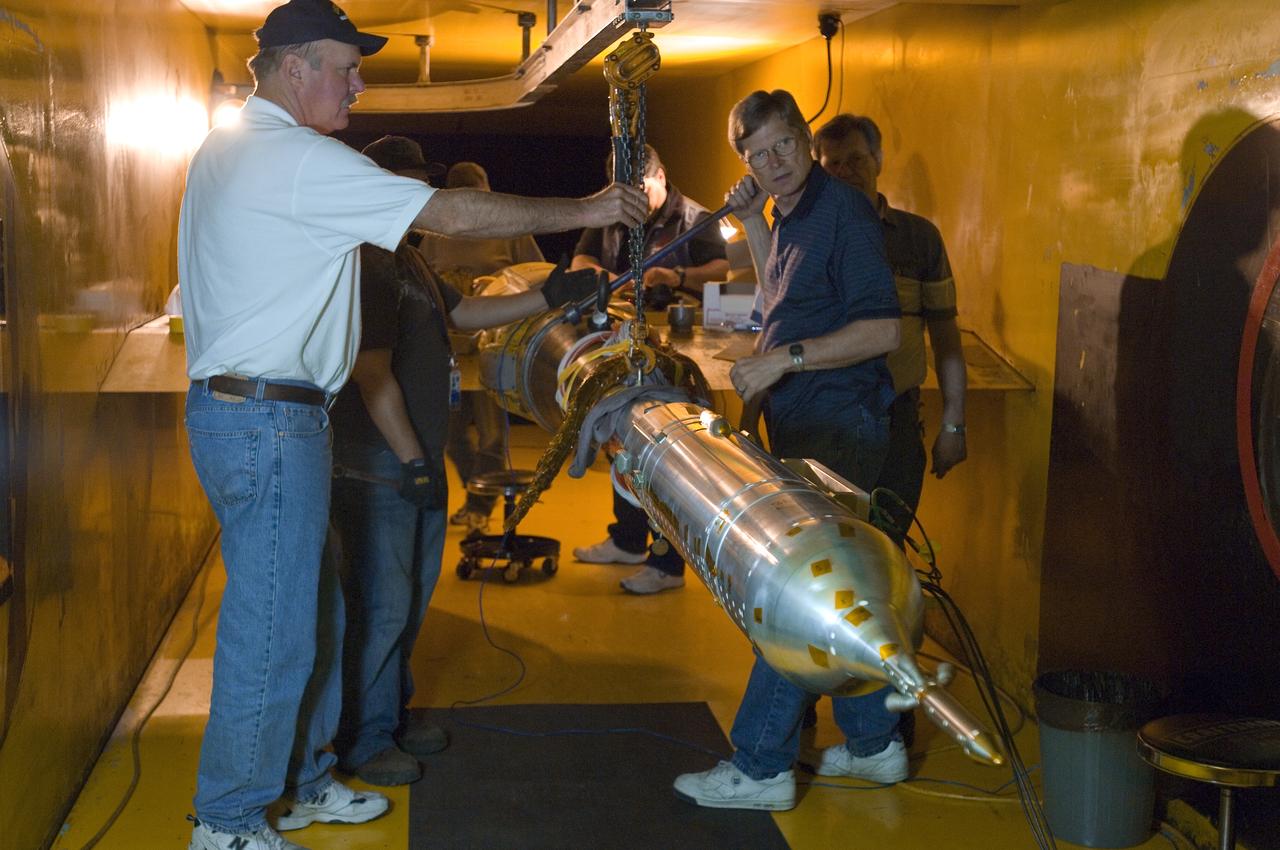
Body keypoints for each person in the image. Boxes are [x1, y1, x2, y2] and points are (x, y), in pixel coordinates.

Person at [178, 1, 646, 847]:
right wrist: (592, 206)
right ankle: (228, 821)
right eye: (344, 66)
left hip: (268, 420)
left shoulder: (232, 150)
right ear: (293, 70)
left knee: (316, 614)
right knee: (275, 631)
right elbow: (450, 215)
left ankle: (308, 776)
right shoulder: (288, 158)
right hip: (267, 425)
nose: (358, 83)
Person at [330, 138, 599, 788]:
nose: (420, 201)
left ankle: (391, 715)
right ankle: (365, 742)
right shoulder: (366, 259)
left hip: (409, 462)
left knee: (412, 601)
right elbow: (369, 374)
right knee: (383, 605)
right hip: (378, 466)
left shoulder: (408, 259)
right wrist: (413, 461)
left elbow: (468, 313)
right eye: (410, 188)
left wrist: (550, 294)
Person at [672, 89, 903, 812]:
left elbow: (883, 331)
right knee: (839, 596)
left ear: (806, 139)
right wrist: (747, 220)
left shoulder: (847, 215)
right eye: (756, 156)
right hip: (804, 423)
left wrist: (784, 361)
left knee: (791, 594)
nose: (772, 164)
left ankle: (764, 764)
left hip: (842, 423)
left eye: (781, 147)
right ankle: (875, 745)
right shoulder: (789, 213)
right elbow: (779, 294)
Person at [569, 144, 730, 594]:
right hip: (626, 347)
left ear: (660, 176)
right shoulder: (609, 211)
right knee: (622, 444)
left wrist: (675, 279)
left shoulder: (696, 217)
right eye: (622, 193)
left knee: (668, 456)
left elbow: (722, 271)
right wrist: (600, 277)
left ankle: (667, 566)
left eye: (639, 191)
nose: (631, 204)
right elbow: (579, 259)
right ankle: (626, 540)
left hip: (679, 357)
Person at [812, 113, 967, 540]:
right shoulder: (809, 237)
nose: (847, 171)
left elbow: (946, 338)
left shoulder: (918, 239)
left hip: (896, 421)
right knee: (827, 551)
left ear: (878, 159)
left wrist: (953, 423)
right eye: (833, 164)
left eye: (857, 159)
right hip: (824, 422)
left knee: (885, 549)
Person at [415, 161, 546, 532]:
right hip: (451, 352)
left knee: (491, 435)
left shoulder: (509, 231)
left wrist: (498, 286)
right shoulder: (437, 234)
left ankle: (479, 506)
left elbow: (537, 275)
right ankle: (480, 495)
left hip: (494, 347)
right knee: (452, 435)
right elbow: (421, 280)